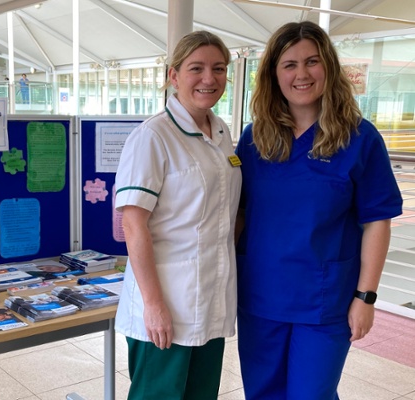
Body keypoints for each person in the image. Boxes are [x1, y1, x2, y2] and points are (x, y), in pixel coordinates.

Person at [235, 21, 403, 400]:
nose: (301, 74)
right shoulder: (254, 138)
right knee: (262, 393)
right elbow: (238, 214)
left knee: (311, 394)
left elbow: (378, 221)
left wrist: (366, 297)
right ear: (273, 74)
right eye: (289, 64)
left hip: (325, 301)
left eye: (311, 61)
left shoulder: (359, 138)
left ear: (328, 66)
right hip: (261, 296)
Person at [114, 30, 241, 399]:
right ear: (173, 75)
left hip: (210, 302)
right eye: (196, 68)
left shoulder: (221, 133)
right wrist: (154, 305)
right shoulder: (153, 137)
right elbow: (134, 224)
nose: (209, 78)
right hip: (166, 306)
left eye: (219, 69)